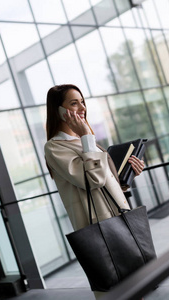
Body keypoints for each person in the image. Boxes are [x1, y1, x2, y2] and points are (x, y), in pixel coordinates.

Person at [44, 84, 145, 299]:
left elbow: (105, 185)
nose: (81, 107)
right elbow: (93, 180)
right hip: (97, 228)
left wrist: (127, 178)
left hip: (117, 220)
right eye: (73, 103)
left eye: (82, 102)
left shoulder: (87, 142)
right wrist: (86, 136)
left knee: (135, 288)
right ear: (58, 110)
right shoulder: (55, 147)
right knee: (113, 289)